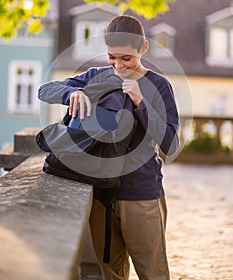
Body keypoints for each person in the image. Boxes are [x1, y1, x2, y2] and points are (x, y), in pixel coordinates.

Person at [38, 15, 179, 280]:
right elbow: (45, 90)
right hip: (101, 193)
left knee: (153, 273)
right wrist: (72, 93)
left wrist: (140, 103)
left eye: (126, 58)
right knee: (110, 274)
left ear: (143, 48)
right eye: (112, 57)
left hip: (141, 193)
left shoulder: (159, 86)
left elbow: (170, 144)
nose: (118, 65)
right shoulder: (95, 76)